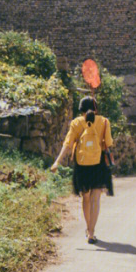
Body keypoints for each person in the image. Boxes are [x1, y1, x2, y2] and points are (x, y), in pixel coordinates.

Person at [50, 95, 114, 243]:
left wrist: (57, 162)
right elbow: (108, 144)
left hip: (82, 164)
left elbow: (67, 144)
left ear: (81, 110)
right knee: (95, 199)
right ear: (96, 109)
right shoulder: (104, 122)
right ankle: (92, 233)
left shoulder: (76, 123)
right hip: (98, 164)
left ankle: (88, 229)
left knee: (85, 198)